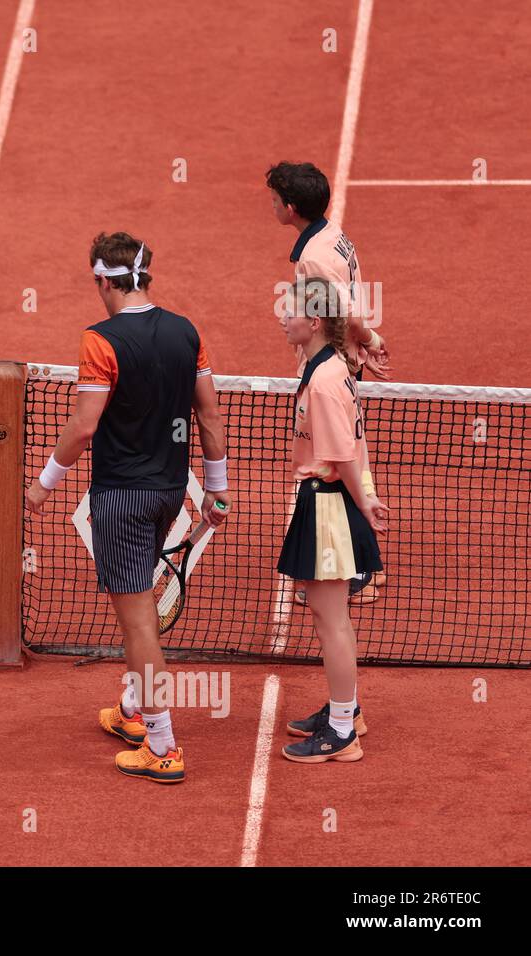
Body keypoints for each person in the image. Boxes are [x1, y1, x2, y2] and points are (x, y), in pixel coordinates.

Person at [26, 232, 229, 784]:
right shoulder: (187, 332)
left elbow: (85, 425)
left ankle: (161, 746)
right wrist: (216, 488)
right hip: (170, 492)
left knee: (138, 625)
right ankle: (134, 713)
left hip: (122, 498)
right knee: (140, 616)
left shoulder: (100, 341)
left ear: (101, 281)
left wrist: (45, 482)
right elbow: (208, 417)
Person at [277, 278, 389, 763]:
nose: (283, 318)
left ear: (315, 322)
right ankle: (347, 711)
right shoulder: (329, 366)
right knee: (329, 618)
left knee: (331, 621)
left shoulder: (324, 380)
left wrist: (363, 504)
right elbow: (354, 451)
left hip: (328, 504)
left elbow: (343, 456)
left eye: (291, 312)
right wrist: (364, 497)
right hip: (331, 501)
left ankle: (342, 731)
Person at [268, 160, 387, 603]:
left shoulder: (315, 256)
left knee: (330, 466)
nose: (272, 205)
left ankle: (354, 568)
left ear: (292, 206)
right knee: (349, 454)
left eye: (276, 200)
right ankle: (358, 561)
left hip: (329, 362)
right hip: (340, 358)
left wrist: (368, 340)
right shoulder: (328, 232)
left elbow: (338, 311)